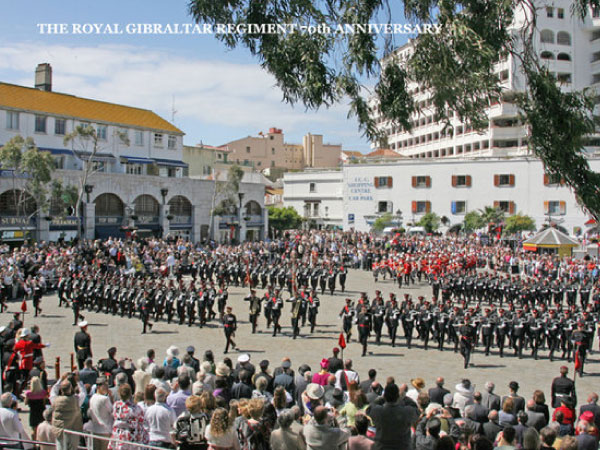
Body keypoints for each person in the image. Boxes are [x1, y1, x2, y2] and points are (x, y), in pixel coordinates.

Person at [368, 383, 419, 450]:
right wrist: (404, 398)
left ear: (385, 396)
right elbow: (417, 411)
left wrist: (381, 398)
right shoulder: (407, 412)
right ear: (397, 396)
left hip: (382, 447)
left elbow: (369, 409)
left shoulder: (378, 411)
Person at [108, 383, 148, 450]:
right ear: (130, 394)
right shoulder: (136, 408)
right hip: (131, 435)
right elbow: (141, 421)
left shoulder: (116, 405)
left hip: (118, 434)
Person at [52, 379, 84, 450]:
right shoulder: (76, 400)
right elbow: (83, 394)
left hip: (60, 431)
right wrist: (78, 381)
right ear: (71, 388)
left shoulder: (55, 400)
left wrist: (59, 380)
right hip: (73, 430)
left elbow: (53, 392)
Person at [87, 377, 113, 450]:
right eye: (105, 386)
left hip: (95, 429)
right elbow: (112, 411)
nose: (107, 388)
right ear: (98, 387)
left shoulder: (92, 398)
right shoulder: (105, 399)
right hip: (105, 430)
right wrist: (111, 398)